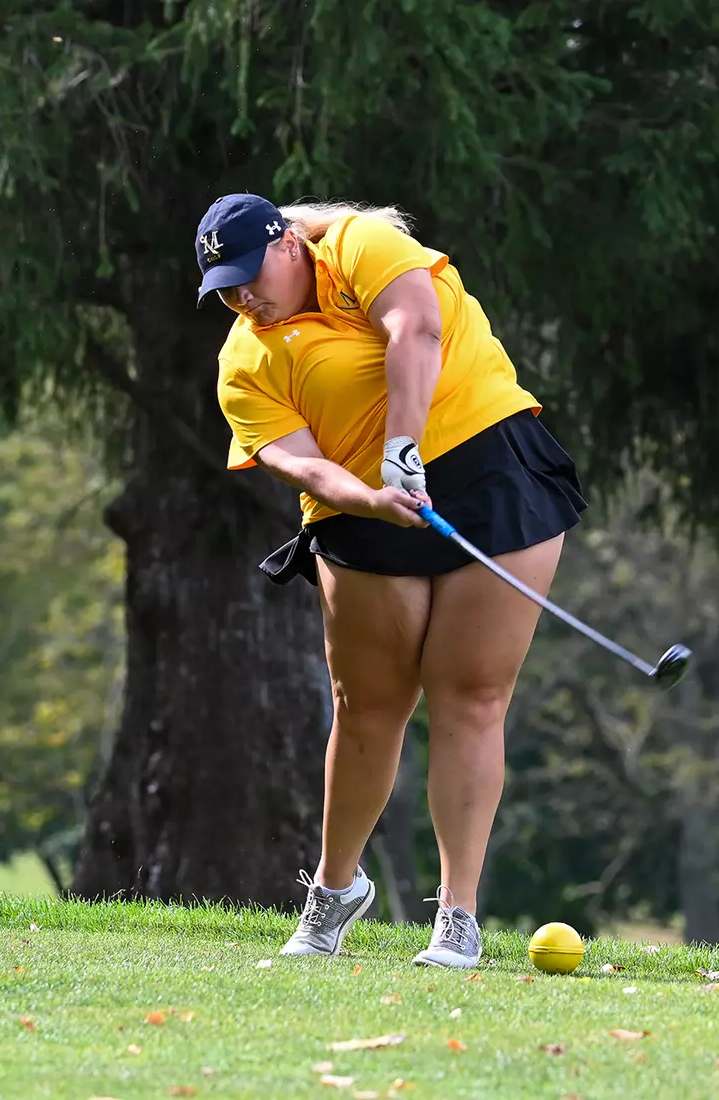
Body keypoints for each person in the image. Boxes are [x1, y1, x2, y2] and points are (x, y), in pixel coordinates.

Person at [196, 192, 587, 968]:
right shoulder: (244, 362)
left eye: (249, 276)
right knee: (367, 707)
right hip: (362, 507)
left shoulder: (359, 245)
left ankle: (458, 915)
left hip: (489, 470)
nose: (243, 299)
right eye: (225, 290)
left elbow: (417, 327)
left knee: (472, 694)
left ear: (287, 244)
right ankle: (335, 891)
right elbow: (302, 464)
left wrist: (401, 449)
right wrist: (374, 497)